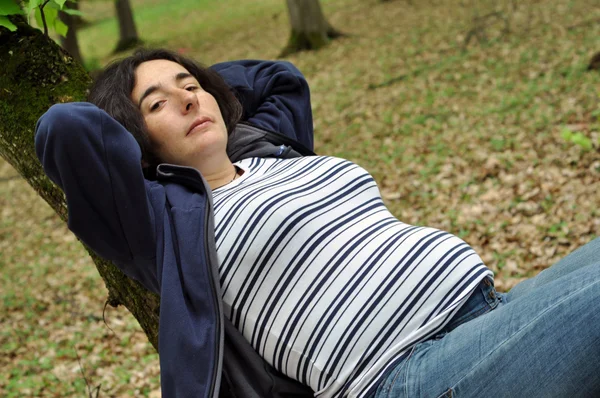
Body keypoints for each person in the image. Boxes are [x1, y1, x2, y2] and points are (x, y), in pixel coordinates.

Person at [35, 49, 599, 398]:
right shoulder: (163, 223)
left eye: (191, 85)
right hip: (410, 376)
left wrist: (201, 84)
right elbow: (67, 130)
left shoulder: (273, 150)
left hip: (492, 309)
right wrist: (139, 93)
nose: (187, 100)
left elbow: (279, 77)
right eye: (155, 105)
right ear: (134, 139)